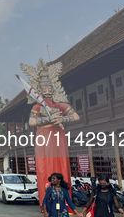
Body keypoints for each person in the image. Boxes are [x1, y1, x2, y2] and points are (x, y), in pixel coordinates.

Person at [22, 59, 80, 201]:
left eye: (49, 89)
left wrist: (62, 119)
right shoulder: (37, 106)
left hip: (58, 135)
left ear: (53, 88)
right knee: (45, 165)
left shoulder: (60, 104)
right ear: (39, 90)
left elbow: (75, 116)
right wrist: (47, 119)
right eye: (44, 89)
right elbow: (31, 122)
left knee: (61, 163)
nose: (47, 92)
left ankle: (65, 200)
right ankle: (46, 201)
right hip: (43, 135)